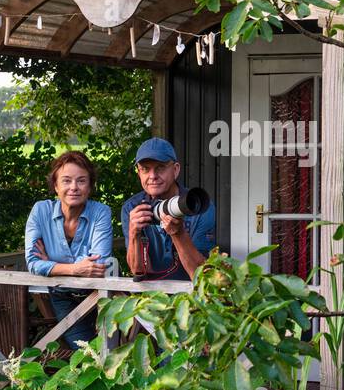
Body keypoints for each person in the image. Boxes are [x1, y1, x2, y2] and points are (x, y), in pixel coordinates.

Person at [24, 150, 114, 347]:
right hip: (62, 297)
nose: (74, 187)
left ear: (90, 187)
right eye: (66, 181)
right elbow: (32, 263)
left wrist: (51, 264)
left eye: (81, 181)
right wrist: (76, 268)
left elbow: (97, 264)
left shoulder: (101, 212)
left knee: (111, 351)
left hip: (99, 296)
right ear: (55, 186)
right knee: (85, 352)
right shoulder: (41, 211)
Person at [121, 138, 216, 281]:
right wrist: (134, 233)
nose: (152, 176)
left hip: (191, 298)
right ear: (139, 173)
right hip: (150, 299)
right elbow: (138, 271)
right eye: (145, 169)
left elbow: (202, 275)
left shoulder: (198, 206)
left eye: (160, 167)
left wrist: (178, 233)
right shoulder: (132, 208)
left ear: (175, 169)